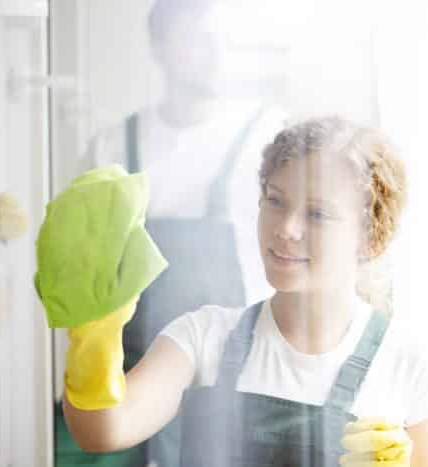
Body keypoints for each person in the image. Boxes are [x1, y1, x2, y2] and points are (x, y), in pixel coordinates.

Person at [62, 116, 428, 467]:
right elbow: (103, 431)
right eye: (275, 201)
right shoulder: (204, 338)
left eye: (317, 214)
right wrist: (92, 333)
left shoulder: (409, 367)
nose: (285, 228)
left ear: (372, 239)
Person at [72, 0, 287, 465]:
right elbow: (89, 272)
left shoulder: (264, 135)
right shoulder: (113, 145)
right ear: (161, 47)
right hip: (141, 371)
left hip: (241, 365)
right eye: (198, 38)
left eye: (222, 40)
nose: (216, 53)